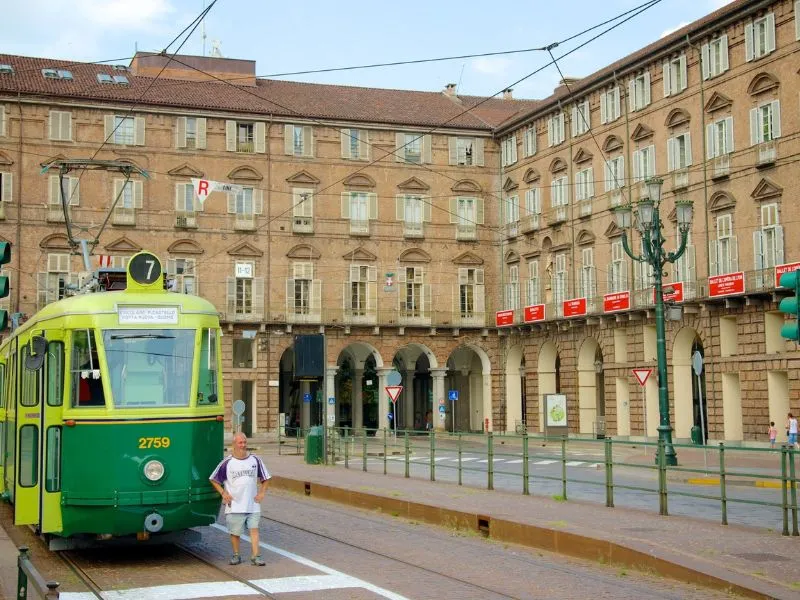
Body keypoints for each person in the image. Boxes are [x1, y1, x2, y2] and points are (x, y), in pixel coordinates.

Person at [209, 432, 271, 566]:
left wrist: (262, 493)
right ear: (234, 445)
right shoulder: (227, 462)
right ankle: (236, 555)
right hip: (235, 504)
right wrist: (223, 492)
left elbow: (266, 478)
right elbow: (213, 479)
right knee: (235, 532)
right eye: (240, 443)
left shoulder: (255, 460)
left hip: (253, 504)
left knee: (254, 529)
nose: (243, 445)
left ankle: (256, 556)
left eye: (244, 442)